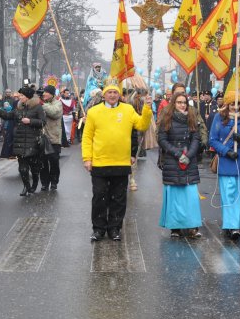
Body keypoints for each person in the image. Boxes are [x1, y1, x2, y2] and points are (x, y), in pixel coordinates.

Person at [82, 82, 153, 242]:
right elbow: (87, 137)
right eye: (109, 92)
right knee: (99, 196)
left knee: (118, 198)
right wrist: (87, 158)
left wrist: (147, 109)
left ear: (119, 94)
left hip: (121, 163)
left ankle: (114, 228)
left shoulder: (128, 110)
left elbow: (142, 124)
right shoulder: (93, 112)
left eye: (115, 92)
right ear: (104, 95)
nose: (112, 95)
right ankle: (98, 229)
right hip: (100, 163)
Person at [209, 91, 240, 240]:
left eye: (237, 104)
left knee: (239, 196)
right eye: (231, 104)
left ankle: (235, 224)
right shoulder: (218, 118)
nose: (234, 107)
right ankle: (232, 226)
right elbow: (213, 140)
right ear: (227, 104)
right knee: (229, 196)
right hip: (226, 163)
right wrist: (226, 151)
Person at [157, 92, 202, 238]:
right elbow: (162, 140)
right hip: (173, 161)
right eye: (179, 102)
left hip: (189, 161)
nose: (182, 105)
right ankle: (175, 227)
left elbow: (196, 138)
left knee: (191, 197)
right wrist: (178, 154)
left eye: (184, 102)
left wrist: (188, 155)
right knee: (175, 196)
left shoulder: (192, 118)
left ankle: (192, 226)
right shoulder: (167, 119)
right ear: (173, 104)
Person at [0, 86, 45, 196]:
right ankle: (27, 187)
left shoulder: (38, 107)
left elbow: (43, 122)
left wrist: (30, 121)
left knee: (34, 168)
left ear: (28, 97)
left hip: (33, 141)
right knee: (22, 169)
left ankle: (34, 185)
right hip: (19, 141)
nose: (19, 97)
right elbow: (7, 115)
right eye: (20, 95)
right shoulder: (18, 107)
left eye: (22, 95)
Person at [40, 85, 63, 191]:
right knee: (43, 162)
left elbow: (54, 113)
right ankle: (44, 183)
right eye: (43, 92)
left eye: (46, 92)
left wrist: (42, 105)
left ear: (52, 94)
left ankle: (54, 182)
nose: (44, 94)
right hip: (42, 137)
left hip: (54, 137)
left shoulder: (58, 103)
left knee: (54, 161)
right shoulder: (41, 103)